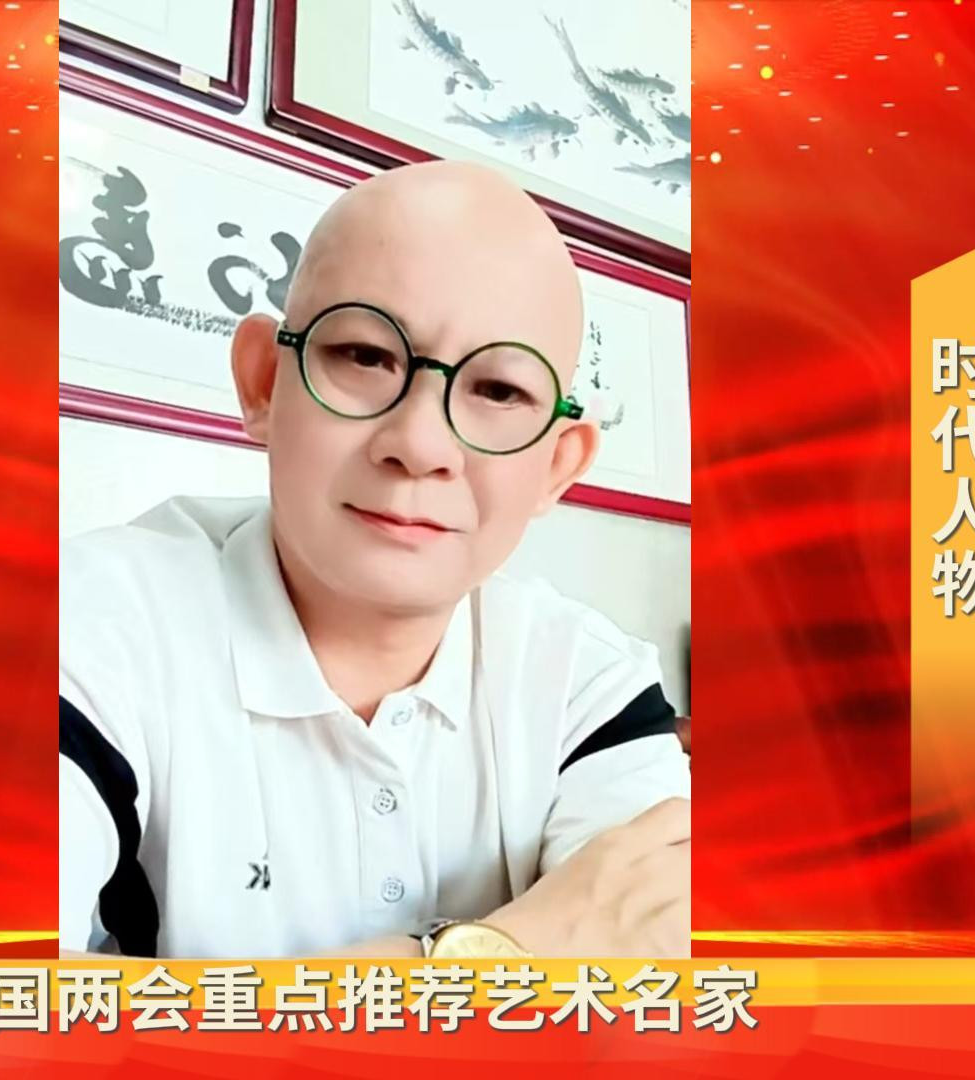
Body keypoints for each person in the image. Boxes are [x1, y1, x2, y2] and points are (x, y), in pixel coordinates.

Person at [59, 160, 690, 959]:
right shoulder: (89, 629)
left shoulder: (586, 682)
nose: (421, 445)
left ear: (556, 467)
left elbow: (670, 982)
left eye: (499, 392)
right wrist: (504, 951)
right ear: (264, 382)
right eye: (364, 355)